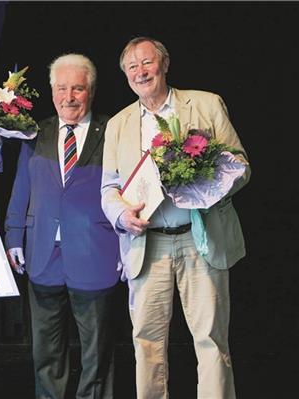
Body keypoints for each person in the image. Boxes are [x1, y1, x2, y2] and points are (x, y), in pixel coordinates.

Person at [101, 37, 251, 398]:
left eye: (147, 63)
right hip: (147, 244)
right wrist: (123, 216)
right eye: (132, 67)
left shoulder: (205, 104)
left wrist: (204, 186)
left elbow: (241, 168)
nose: (141, 72)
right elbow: (109, 189)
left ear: (164, 65)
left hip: (200, 239)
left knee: (211, 340)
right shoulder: (119, 123)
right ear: (125, 76)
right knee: (146, 342)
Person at [5, 53, 120, 399]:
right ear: (52, 90)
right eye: (62, 88)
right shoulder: (36, 132)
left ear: (92, 91)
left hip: (95, 253)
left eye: (78, 89)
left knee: (96, 354)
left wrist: (127, 244)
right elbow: (21, 188)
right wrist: (13, 237)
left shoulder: (113, 131)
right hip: (42, 254)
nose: (69, 97)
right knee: (46, 352)